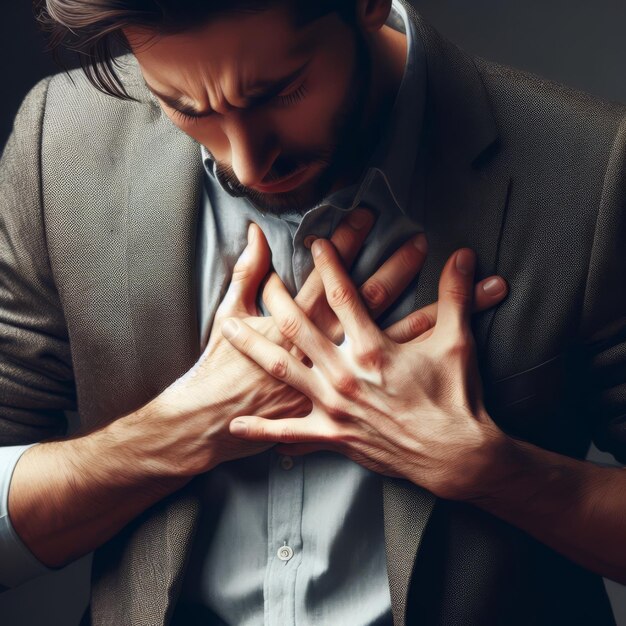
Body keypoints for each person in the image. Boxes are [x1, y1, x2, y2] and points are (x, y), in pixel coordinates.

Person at [0, 0, 624, 625]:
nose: (245, 162)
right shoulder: (61, 145)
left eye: (280, 91)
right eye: (188, 108)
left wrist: (494, 472)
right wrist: (174, 433)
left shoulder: (592, 170)